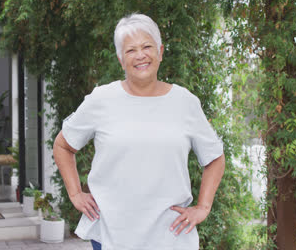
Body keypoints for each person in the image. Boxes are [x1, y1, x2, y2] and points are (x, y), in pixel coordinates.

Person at [53, 13, 225, 250]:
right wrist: (75, 194)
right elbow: (63, 145)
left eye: (147, 46)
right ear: (120, 59)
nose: (140, 55)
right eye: (130, 50)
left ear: (160, 52)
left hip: (171, 236)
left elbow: (215, 157)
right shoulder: (102, 99)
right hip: (112, 234)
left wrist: (203, 207)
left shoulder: (185, 102)